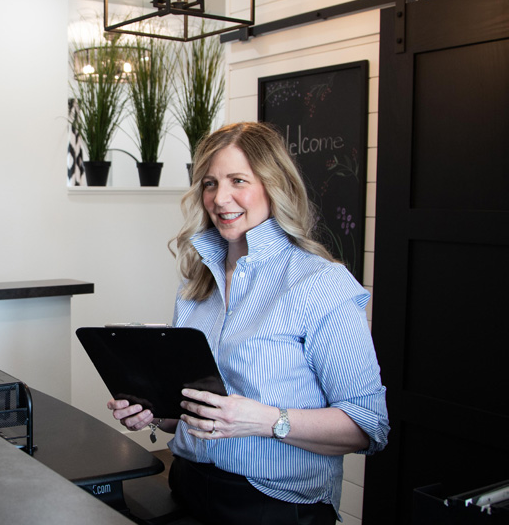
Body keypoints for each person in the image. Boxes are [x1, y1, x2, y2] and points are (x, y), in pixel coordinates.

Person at [109, 121, 388, 524]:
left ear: (274, 185)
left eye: (238, 180)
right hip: (186, 486)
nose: (220, 198)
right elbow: (199, 411)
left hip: (274, 506)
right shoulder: (196, 281)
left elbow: (368, 427)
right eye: (209, 183)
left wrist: (265, 420)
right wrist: (153, 412)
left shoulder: (319, 283)